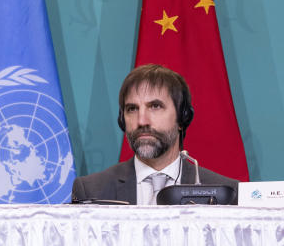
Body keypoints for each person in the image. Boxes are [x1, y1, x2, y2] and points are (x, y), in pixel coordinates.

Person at [71, 64, 238, 205]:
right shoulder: (91, 190)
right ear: (122, 120)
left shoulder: (228, 194)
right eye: (132, 109)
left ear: (182, 117)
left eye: (155, 106)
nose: (142, 121)